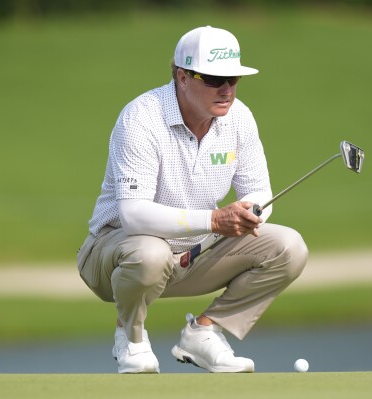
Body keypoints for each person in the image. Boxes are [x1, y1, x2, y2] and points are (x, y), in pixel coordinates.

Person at [76, 26, 309, 374]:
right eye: (215, 79)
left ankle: (204, 332)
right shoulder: (142, 118)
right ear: (183, 77)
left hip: (194, 253)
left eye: (233, 78)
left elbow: (259, 190)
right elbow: (133, 216)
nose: (227, 89)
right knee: (151, 253)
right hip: (113, 256)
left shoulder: (239, 118)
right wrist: (214, 221)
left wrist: (251, 212)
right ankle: (131, 337)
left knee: (289, 247)